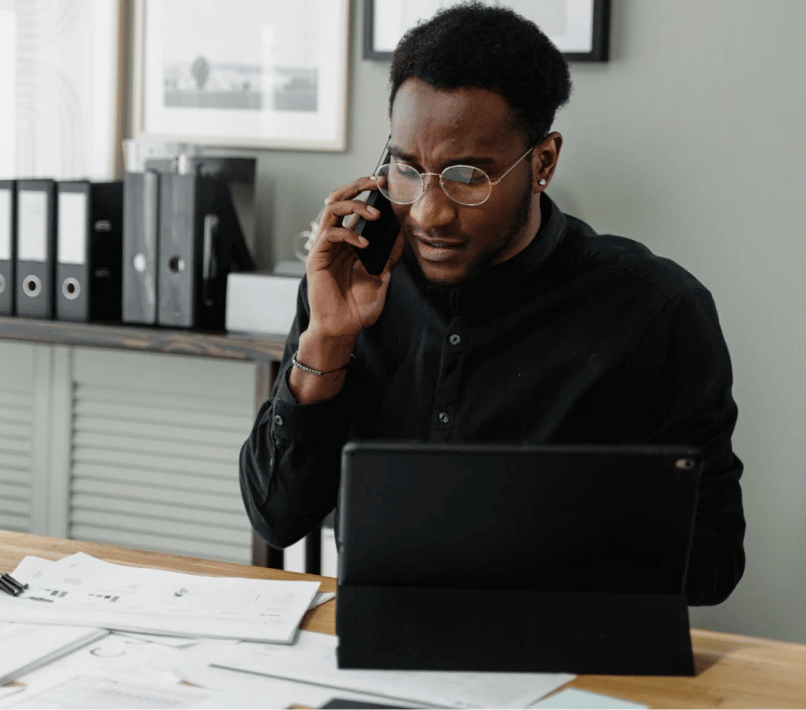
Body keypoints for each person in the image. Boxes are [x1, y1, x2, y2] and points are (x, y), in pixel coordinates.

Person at [239, 2, 745, 606]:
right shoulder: (351, 283)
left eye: (468, 177)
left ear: (543, 163)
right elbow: (277, 517)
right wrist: (325, 340)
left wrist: (533, 521)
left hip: (571, 658)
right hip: (382, 650)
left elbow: (714, 560)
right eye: (407, 169)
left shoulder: (656, 311)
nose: (430, 212)